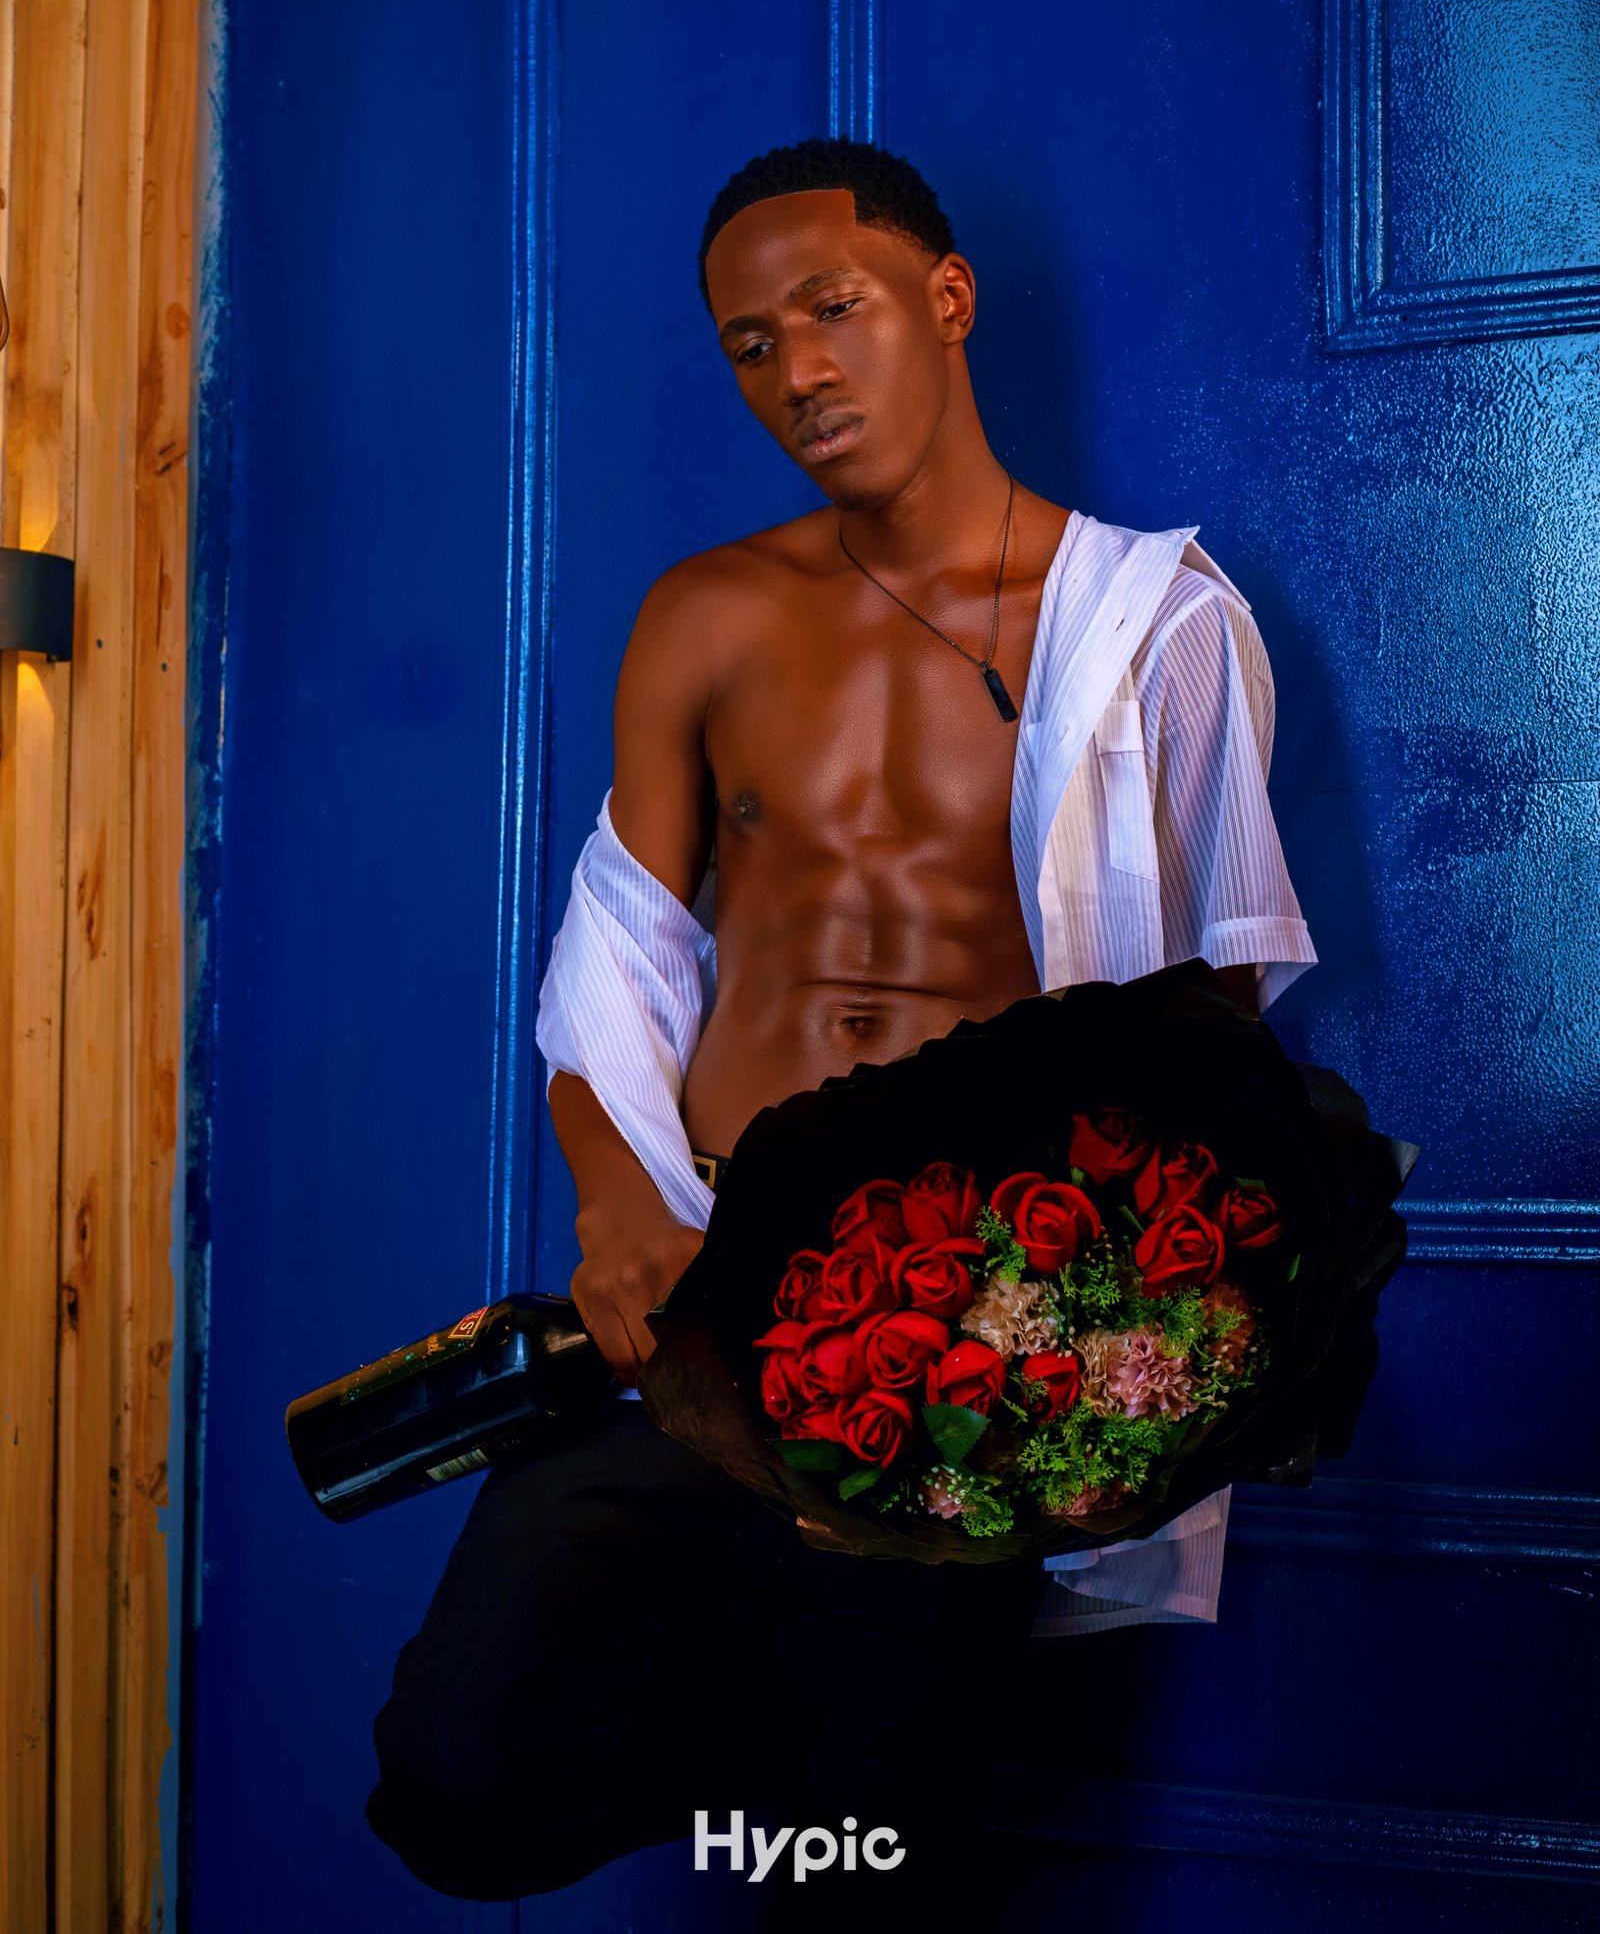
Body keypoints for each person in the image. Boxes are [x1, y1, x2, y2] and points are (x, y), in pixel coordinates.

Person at [366, 137, 1316, 1919]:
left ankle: (856, 1769)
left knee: (862, 1859)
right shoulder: (708, 615)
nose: (796, 369)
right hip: (706, 1289)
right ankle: (821, 1745)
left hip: (966, 1334)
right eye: (750, 344)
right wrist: (615, 1206)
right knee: (456, 1766)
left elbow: (1217, 1019)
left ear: (945, 300)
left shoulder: (1158, 628)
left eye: (832, 309)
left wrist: (1071, 1351)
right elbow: (616, 960)